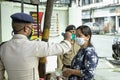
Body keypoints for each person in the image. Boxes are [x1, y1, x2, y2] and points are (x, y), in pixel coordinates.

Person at [0, 12, 72, 80]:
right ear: (26, 29)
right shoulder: (34, 46)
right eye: (31, 28)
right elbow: (64, 47)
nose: (32, 30)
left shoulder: (3, 48)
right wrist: (67, 37)